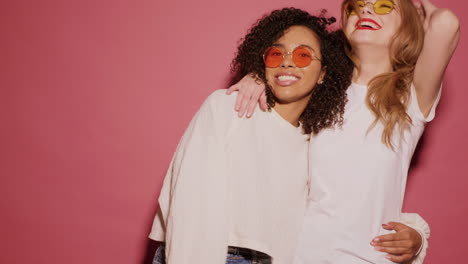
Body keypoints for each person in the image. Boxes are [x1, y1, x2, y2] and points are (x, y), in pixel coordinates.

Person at [227, 0, 460, 263]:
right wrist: (257, 78)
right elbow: (282, 75)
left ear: (408, 24)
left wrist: (417, 8)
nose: (366, 11)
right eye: (355, 7)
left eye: (383, 5)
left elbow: (446, 24)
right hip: (300, 256)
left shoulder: (409, 98)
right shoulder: (321, 90)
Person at [148, 8, 355, 264]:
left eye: (303, 55)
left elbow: (344, 208)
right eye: (276, 54)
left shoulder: (317, 142)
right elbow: (190, 202)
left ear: (323, 73)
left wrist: (413, 229)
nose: (287, 62)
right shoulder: (229, 108)